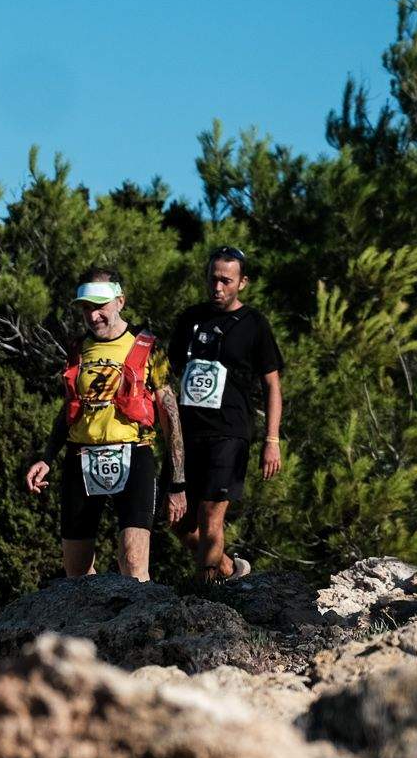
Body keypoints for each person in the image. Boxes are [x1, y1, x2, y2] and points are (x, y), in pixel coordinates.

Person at [24, 269, 186, 580]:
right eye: (86, 308)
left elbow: (170, 416)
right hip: (81, 457)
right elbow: (69, 407)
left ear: (120, 301)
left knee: (133, 561)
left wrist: (177, 483)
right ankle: (93, 613)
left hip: (133, 453)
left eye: (100, 306)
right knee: (76, 571)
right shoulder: (77, 349)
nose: (93, 316)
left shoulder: (148, 346)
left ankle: (141, 613)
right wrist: (47, 457)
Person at [166, 247, 285, 580]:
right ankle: (230, 570)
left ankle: (205, 593)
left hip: (230, 432)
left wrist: (272, 439)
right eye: (212, 279)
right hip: (188, 432)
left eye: (226, 281)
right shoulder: (190, 318)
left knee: (210, 516)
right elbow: (168, 373)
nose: (217, 287)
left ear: (242, 282)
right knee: (178, 521)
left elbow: (272, 385)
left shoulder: (254, 324)